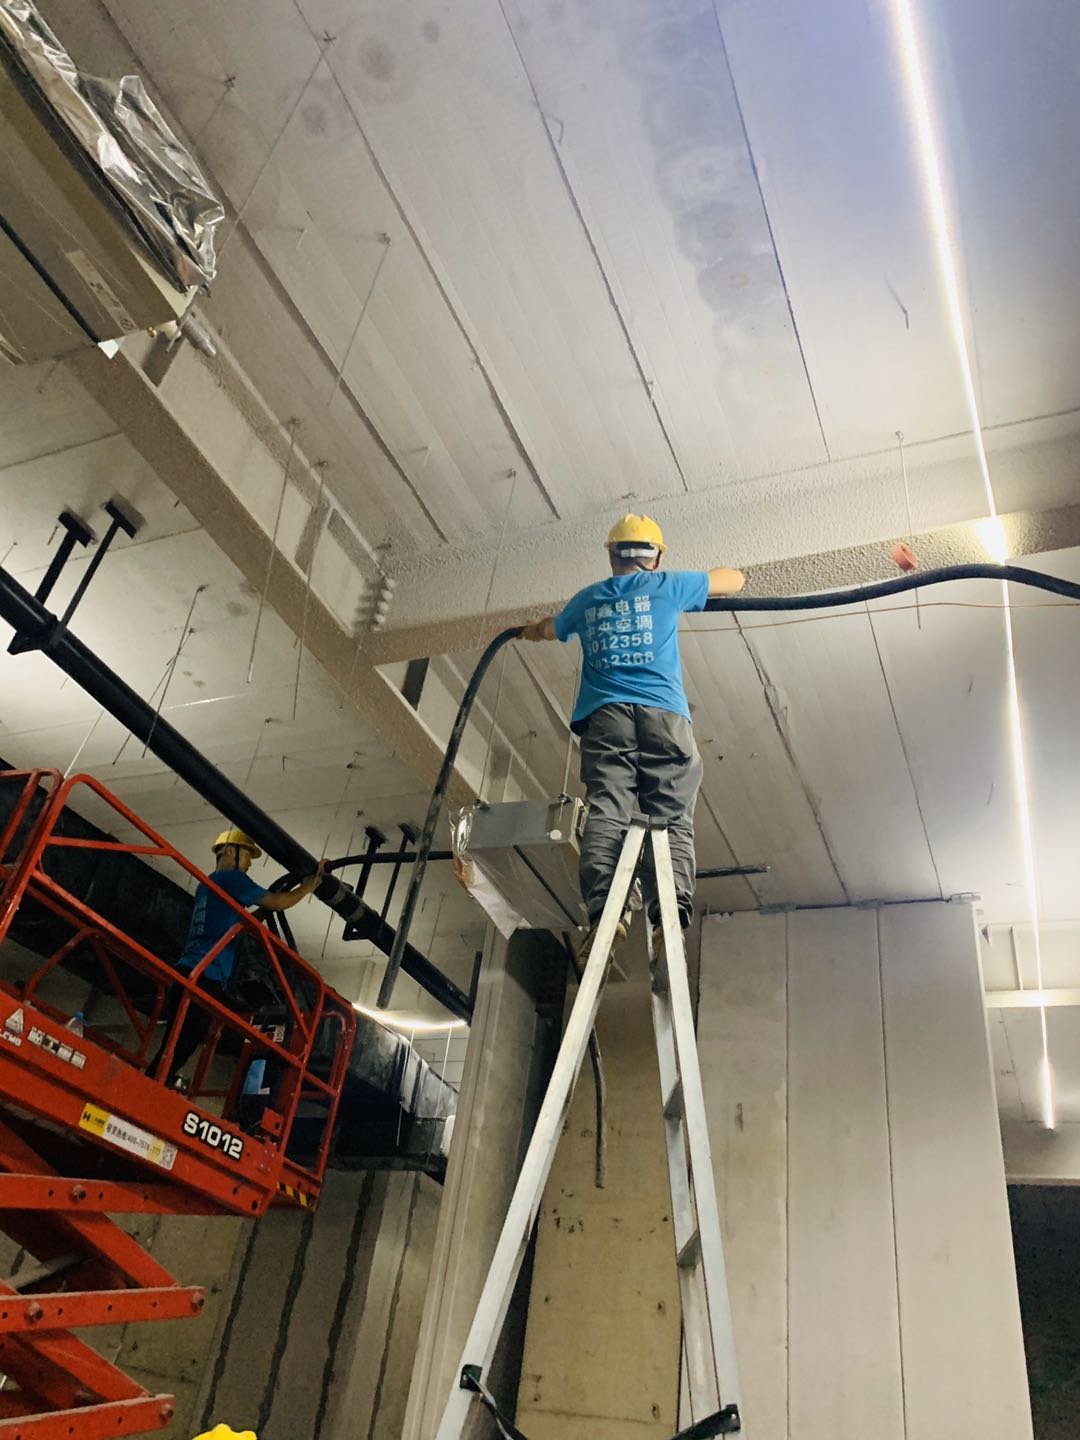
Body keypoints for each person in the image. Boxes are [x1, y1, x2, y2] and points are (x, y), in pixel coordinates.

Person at [521, 515, 744, 952]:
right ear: (657, 557)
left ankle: (607, 911)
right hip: (665, 716)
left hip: (606, 720)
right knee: (671, 816)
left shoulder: (587, 601)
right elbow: (733, 580)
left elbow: (549, 628)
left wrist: (529, 631)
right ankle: (668, 917)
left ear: (611, 555)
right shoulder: (667, 586)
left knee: (608, 809)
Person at [148, 829, 322, 1087]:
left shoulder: (209, 884)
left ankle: (156, 1078)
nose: (250, 863)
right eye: (248, 856)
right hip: (206, 977)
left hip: (188, 971)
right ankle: (156, 1082)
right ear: (230, 851)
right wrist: (308, 887)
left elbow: (242, 925)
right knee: (185, 1041)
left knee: (175, 1041)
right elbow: (277, 902)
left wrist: (263, 911)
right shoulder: (233, 879)